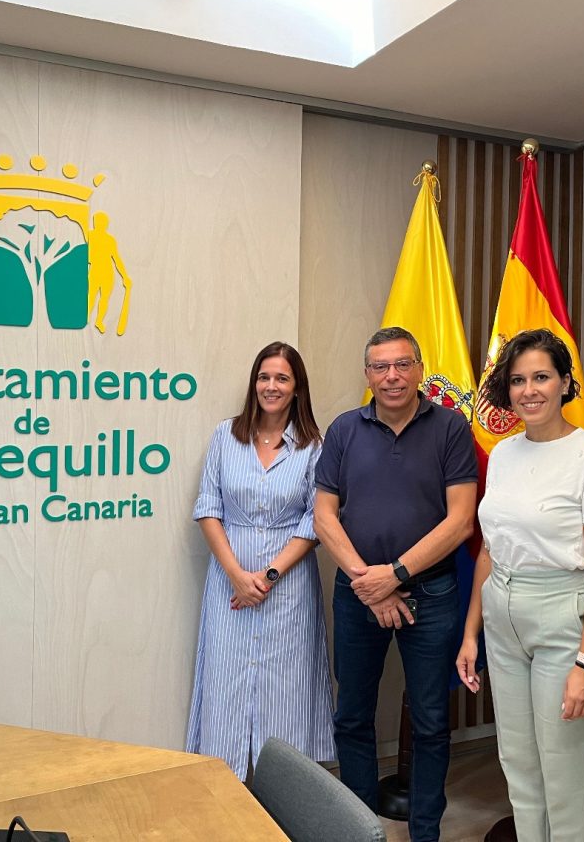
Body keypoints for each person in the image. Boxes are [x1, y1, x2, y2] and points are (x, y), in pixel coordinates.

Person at [455, 328, 584, 842]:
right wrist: (470, 633)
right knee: (520, 765)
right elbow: (490, 546)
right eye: (518, 380)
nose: (529, 390)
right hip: (502, 614)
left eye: (541, 377)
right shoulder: (504, 454)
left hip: (563, 619)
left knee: (564, 775)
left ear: (565, 383)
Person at [315, 326, 478, 842]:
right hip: (357, 591)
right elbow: (323, 516)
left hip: (430, 595)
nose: (392, 376)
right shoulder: (344, 429)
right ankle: (358, 830)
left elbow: (461, 522)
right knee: (353, 716)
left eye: (403, 364)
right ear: (367, 375)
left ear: (419, 369)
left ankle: (425, 832)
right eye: (381, 367)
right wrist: (372, 582)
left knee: (430, 722)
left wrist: (397, 575)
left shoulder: (451, 428)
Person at [186, 341, 335, 780]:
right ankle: (224, 785)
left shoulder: (312, 446)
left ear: (296, 388)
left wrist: (268, 576)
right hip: (229, 582)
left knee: (284, 689)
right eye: (264, 377)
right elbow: (207, 506)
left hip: (287, 586)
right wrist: (237, 574)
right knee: (226, 679)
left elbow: (315, 520)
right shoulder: (225, 435)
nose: (271, 386)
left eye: (282, 379)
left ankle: (281, 790)